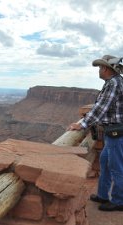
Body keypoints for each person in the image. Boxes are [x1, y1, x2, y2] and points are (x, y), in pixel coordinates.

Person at [69, 55, 123, 211]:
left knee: (117, 167)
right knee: (105, 163)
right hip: (111, 132)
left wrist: (83, 124)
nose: (99, 70)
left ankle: (119, 201)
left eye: (100, 68)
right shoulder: (113, 82)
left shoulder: (113, 83)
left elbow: (101, 108)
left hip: (116, 134)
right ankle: (103, 195)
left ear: (106, 68)